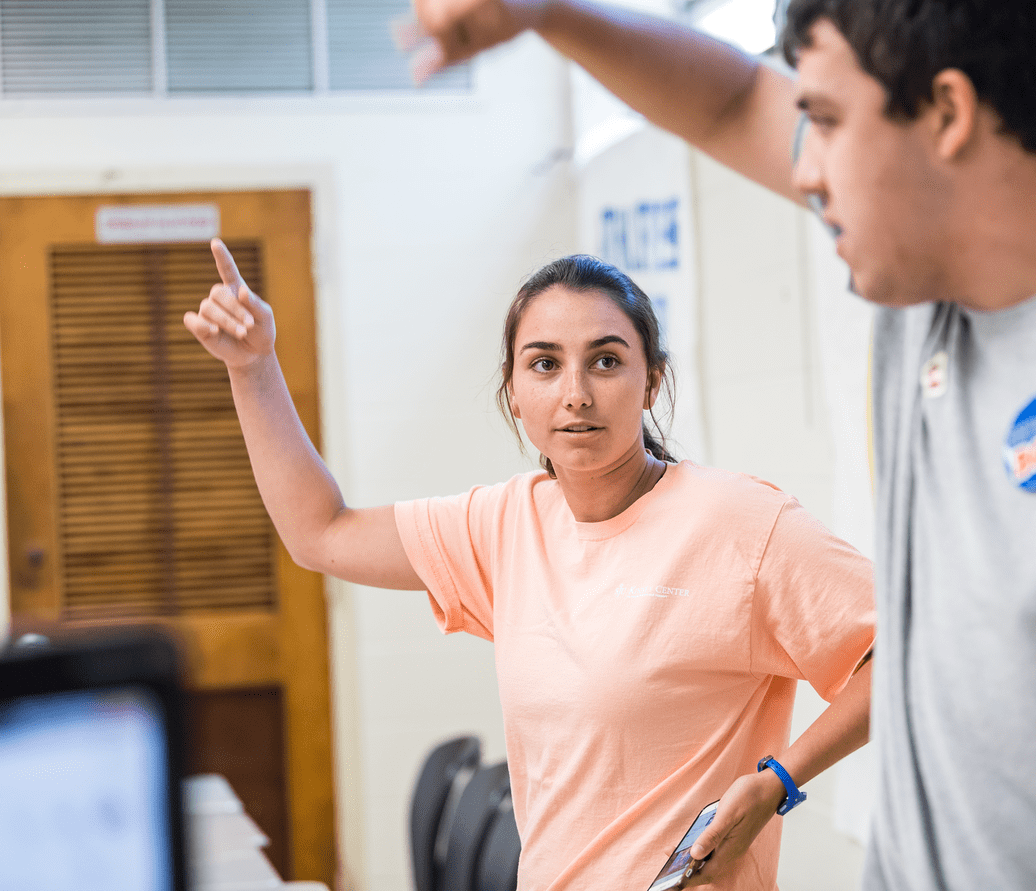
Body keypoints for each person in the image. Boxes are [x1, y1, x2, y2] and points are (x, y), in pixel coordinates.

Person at [399, 1, 1036, 890]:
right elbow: (729, 103)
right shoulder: (935, 300)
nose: (805, 168)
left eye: (827, 121)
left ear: (948, 113)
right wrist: (550, 15)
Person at [184, 243, 875, 890]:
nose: (575, 392)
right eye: (544, 364)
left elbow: (906, 653)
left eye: (606, 360)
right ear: (513, 391)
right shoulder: (503, 523)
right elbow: (320, 532)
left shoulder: (742, 523)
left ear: (650, 380)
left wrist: (780, 780)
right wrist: (252, 367)